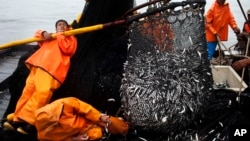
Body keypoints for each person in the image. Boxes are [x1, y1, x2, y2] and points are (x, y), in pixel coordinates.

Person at [3, 19, 77, 134]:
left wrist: (61, 35)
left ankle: (30, 122)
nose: (61, 26)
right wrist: (44, 33)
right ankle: (18, 118)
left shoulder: (70, 37)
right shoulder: (51, 37)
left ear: (67, 28)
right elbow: (37, 35)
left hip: (52, 70)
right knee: (27, 93)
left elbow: (68, 49)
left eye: (63, 25)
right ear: (56, 27)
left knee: (41, 95)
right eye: (59, 25)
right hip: (37, 67)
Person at [34, 97, 129, 141]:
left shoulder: (63, 104)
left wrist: (99, 116)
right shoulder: (44, 136)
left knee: (118, 125)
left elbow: (84, 108)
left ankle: (128, 129)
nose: (60, 116)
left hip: (90, 120)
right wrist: (73, 139)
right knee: (97, 135)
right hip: (81, 134)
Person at [231, 9, 250, 86]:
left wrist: (247, 61)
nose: (249, 17)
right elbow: (244, 40)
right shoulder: (246, 24)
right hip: (247, 49)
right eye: (248, 15)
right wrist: (239, 34)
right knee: (235, 62)